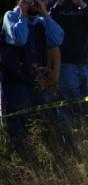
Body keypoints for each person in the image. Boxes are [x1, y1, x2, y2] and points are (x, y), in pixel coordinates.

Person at [0, 0, 64, 138]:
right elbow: (20, 39)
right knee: (19, 127)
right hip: (16, 82)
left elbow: (57, 39)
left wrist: (45, 14)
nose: (36, 3)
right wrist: (22, 14)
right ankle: (20, 156)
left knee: (41, 124)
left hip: (37, 82)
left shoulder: (41, 22)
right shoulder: (10, 16)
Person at [49, 0, 88, 112]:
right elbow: (48, 22)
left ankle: (84, 128)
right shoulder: (59, 4)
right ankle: (68, 129)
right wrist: (58, 5)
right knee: (69, 106)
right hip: (65, 65)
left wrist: (82, 5)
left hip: (85, 64)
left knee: (87, 105)